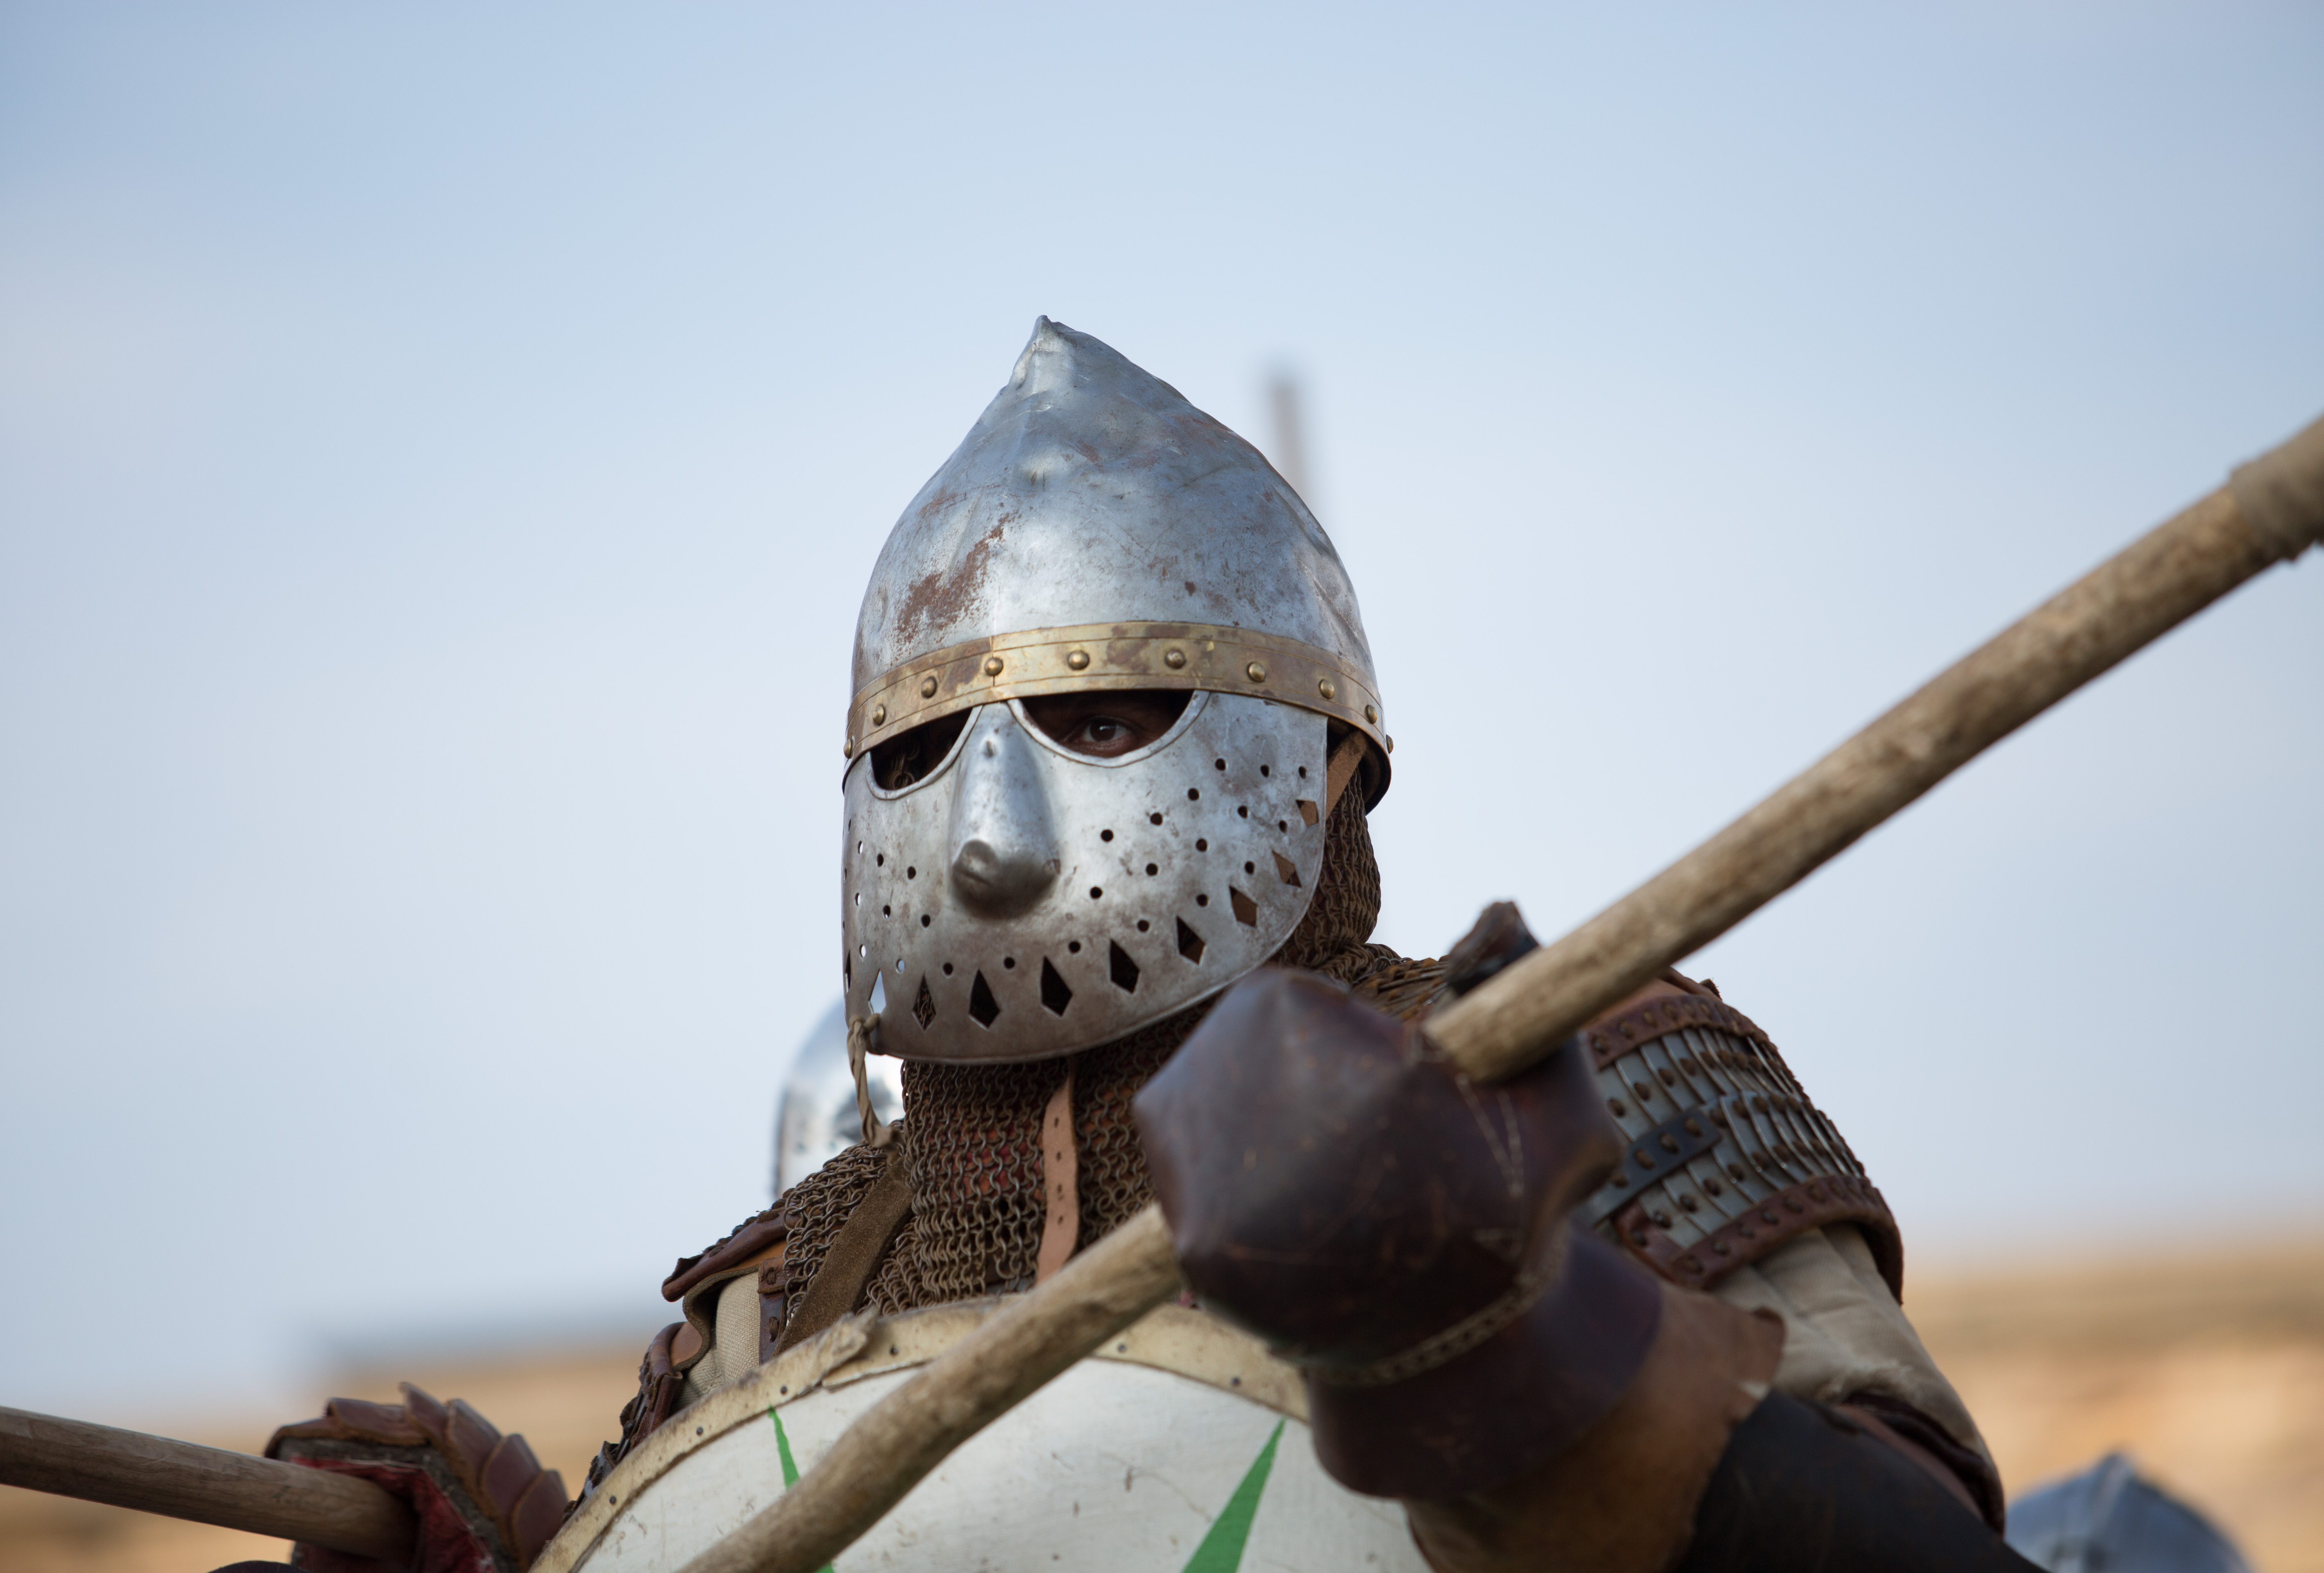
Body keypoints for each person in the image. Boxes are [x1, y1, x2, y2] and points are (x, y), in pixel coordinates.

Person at [259, 319, 2036, 1571]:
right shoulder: (788, 1296)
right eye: (925, 750)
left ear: (1326, 762)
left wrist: (1529, 1347)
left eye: (1105, 718)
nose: (993, 837)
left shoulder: (1574, 1090)